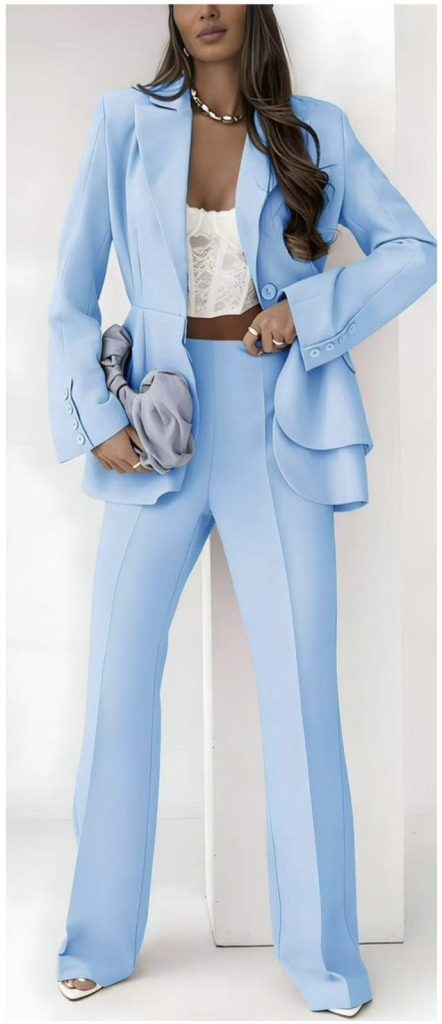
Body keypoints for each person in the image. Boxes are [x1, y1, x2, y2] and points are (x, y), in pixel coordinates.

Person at [48, 3, 437, 1016]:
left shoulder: (315, 131)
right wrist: (96, 416)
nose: (207, 8)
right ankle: (98, 938)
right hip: (160, 434)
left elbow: (413, 248)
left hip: (278, 431)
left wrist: (305, 312)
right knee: (118, 684)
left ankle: (325, 959)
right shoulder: (123, 123)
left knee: (302, 692)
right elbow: (72, 296)